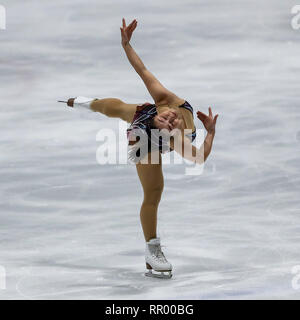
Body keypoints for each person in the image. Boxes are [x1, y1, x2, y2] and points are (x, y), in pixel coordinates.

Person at [59, 18, 218, 279]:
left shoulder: (167, 100)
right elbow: (198, 156)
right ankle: (152, 250)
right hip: (141, 139)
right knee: (154, 190)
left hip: (148, 118)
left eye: (167, 119)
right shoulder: (171, 138)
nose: (170, 119)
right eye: (167, 124)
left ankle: (88, 103)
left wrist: (126, 45)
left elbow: (142, 69)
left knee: (119, 108)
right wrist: (206, 132)